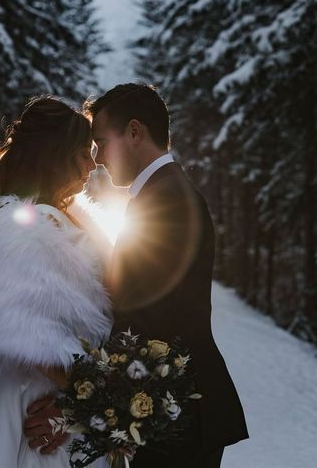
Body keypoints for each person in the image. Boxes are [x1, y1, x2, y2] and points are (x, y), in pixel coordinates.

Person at [25, 84, 249, 467]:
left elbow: (144, 326)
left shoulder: (167, 202)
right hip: (173, 408)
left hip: (181, 415)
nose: (96, 160)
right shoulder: (161, 195)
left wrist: (74, 406)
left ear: (134, 132)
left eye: (100, 142)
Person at [0, 96, 112, 468]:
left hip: (66, 391)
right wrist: (86, 397)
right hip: (36, 399)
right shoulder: (26, 224)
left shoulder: (61, 218)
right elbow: (33, 336)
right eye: (84, 153)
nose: (93, 164)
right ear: (56, 155)